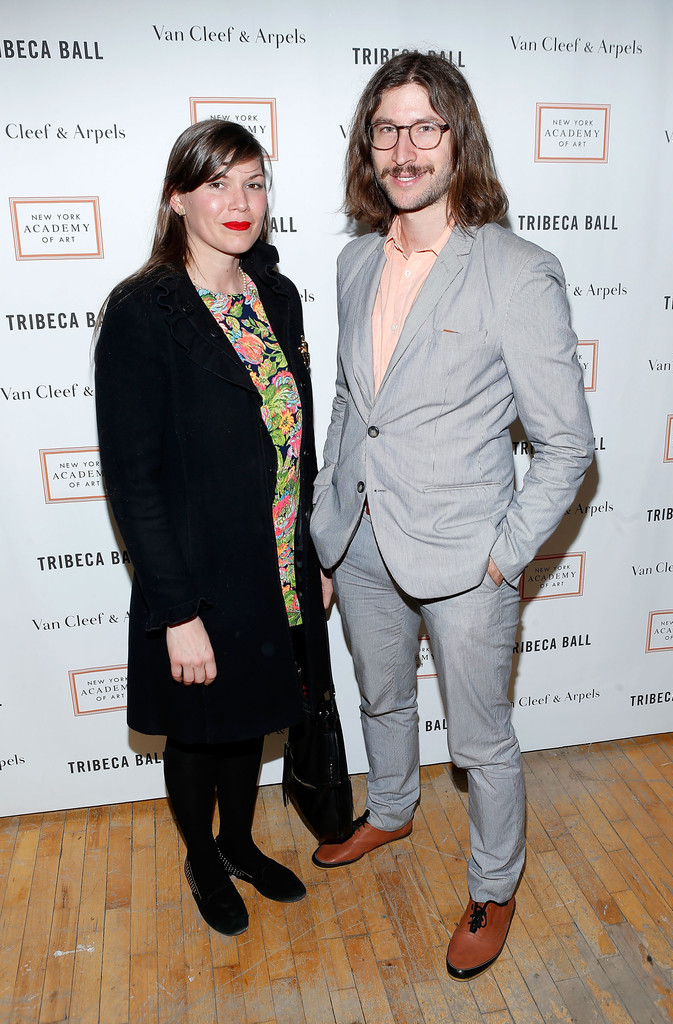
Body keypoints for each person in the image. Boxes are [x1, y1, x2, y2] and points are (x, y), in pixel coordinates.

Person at [310, 53, 594, 979]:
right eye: (385, 129)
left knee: (480, 743)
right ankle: (390, 806)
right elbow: (355, 406)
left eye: (423, 127)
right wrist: (325, 525)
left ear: (456, 137)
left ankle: (494, 882)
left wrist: (506, 557)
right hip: (359, 539)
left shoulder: (516, 270)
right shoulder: (354, 260)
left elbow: (566, 446)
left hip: (469, 552)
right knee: (381, 696)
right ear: (368, 145)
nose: (403, 148)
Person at [95, 120, 332, 936]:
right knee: (199, 734)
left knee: (252, 721)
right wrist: (177, 611)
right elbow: (131, 480)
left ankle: (240, 842)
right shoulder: (143, 309)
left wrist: (312, 554)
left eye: (254, 183)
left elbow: (297, 438)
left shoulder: (278, 293)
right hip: (196, 577)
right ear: (177, 199)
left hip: (273, 565)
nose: (240, 202)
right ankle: (202, 857)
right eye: (217, 184)